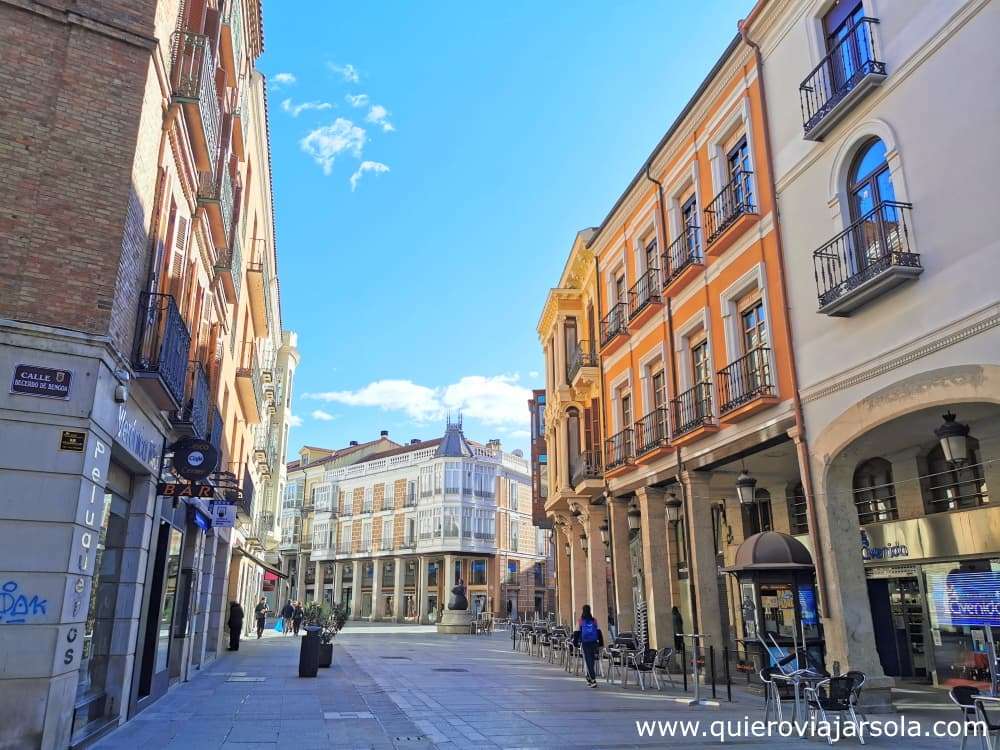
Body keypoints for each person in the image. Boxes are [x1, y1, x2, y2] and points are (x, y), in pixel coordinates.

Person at [574, 604, 604, 688]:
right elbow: (599, 632)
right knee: (591, 661)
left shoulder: (580, 621)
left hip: (585, 643)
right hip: (594, 642)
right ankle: (589, 679)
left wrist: (575, 644)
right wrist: (601, 644)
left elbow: (576, 633)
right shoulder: (594, 620)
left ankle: (593, 680)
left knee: (588, 661)